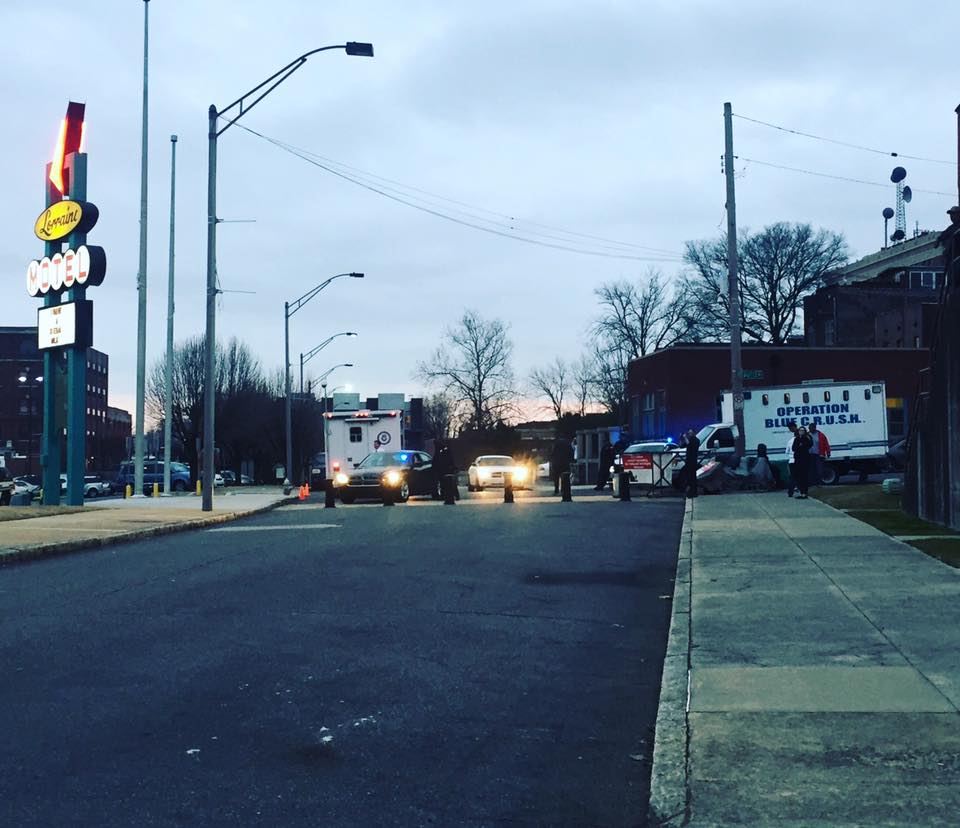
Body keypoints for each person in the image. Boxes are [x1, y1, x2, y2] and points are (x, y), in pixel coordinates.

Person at [792, 426, 814, 499]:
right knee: (798, 477)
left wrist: (802, 446)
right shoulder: (796, 439)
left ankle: (805, 493)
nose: (801, 431)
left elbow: (809, 444)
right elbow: (793, 448)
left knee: (804, 477)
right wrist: (799, 446)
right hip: (797, 460)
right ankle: (801, 492)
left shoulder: (806, 439)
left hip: (805, 460)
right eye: (800, 430)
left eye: (803, 430)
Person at [683, 428, 701, 498]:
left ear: (694, 433)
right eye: (689, 433)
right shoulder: (690, 439)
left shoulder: (696, 440)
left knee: (692, 477)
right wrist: (682, 439)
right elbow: (683, 445)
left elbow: (689, 445)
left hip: (693, 461)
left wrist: (685, 437)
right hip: (688, 461)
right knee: (689, 477)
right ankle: (691, 492)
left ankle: (693, 492)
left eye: (690, 433)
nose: (689, 434)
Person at [785, 421, 798, 497]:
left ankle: (790, 491)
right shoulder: (801, 439)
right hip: (798, 460)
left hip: (791, 460)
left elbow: (787, 451)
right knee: (799, 476)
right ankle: (800, 489)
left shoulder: (790, 441)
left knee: (792, 476)